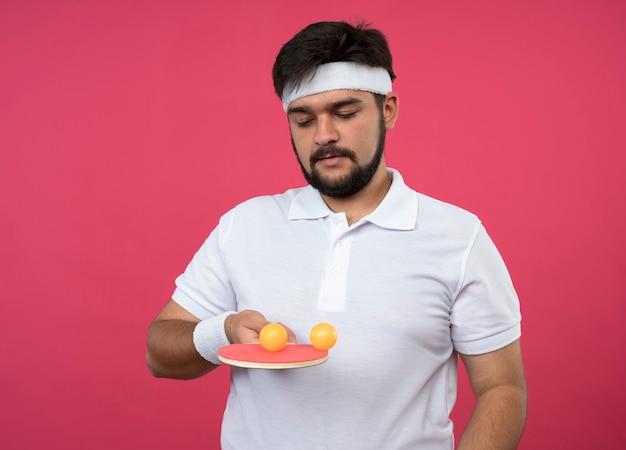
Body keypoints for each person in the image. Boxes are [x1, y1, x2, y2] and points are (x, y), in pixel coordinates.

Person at [146, 20, 527, 449]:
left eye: (345, 113)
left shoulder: (459, 238)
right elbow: (159, 353)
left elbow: (502, 388)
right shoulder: (245, 225)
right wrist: (225, 329)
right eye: (304, 120)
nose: (324, 136)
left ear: (388, 111)